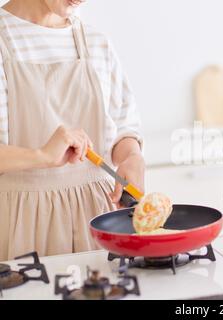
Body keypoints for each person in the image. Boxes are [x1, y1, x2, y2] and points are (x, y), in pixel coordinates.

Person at [0, 0, 144, 261]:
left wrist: (131, 156)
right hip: (20, 223)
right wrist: (41, 156)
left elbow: (124, 126)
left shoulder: (97, 43)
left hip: (99, 221)